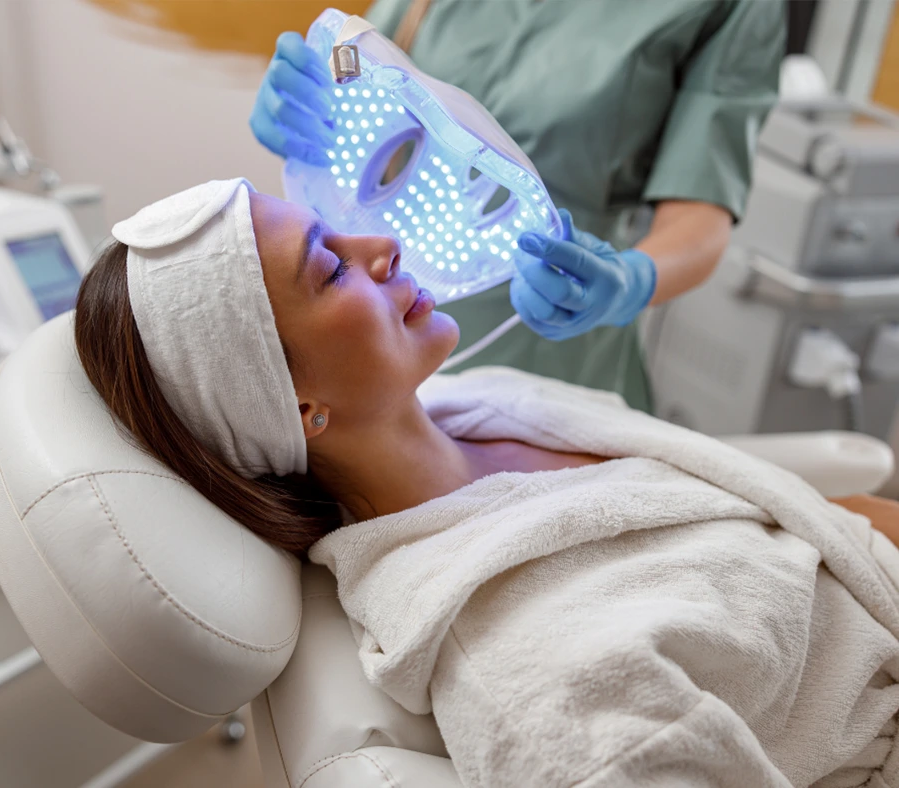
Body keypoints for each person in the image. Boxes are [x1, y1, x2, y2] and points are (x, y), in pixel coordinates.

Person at [75, 180, 899, 785]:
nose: (381, 245)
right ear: (295, 404)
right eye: (331, 269)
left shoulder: (489, 402)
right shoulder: (531, 669)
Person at [249, 0, 786, 412]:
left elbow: (700, 216)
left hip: (553, 336)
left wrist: (628, 281)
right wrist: (308, 106)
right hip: (374, 332)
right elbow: (360, 66)